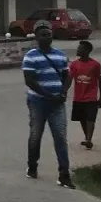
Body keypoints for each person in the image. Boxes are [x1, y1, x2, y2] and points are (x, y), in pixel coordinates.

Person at [22, 20, 73, 188]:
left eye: (49, 35)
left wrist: (63, 92)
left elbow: (68, 76)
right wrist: (49, 95)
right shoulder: (30, 56)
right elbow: (30, 81)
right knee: (36, 135)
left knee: (60, 137)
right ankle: (32, 165)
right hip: (38, 102)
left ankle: (64, 173)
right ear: (36, 37)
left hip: (57, 103)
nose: (47, 37)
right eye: (43, 35)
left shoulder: (60, 55)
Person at [68, 40, 101, 150]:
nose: (78, 50)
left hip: (91, 97)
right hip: (78, 97)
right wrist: (63, 91)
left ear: (87, 51)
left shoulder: (95, 65)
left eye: (80, 48)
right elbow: (69, 80)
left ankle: (89, 140)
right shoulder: (74, 64)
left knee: (90, 118)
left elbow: (100, 82)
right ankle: (87, 137)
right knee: (82, 119)